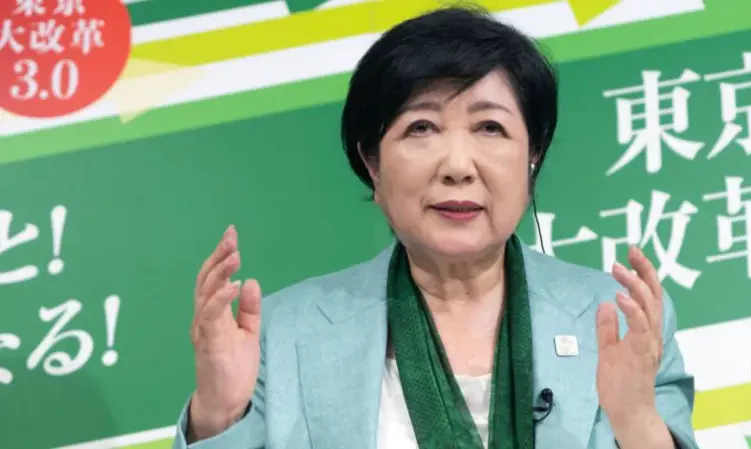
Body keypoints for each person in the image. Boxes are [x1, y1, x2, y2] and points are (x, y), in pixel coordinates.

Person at [173, 6, 699, 449]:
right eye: (421, 127)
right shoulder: (284, 334)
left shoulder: (623, 321)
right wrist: (218, 417)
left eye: (489, 127)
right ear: (373, 163)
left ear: (533, 155)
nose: (457, 166)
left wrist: (636, 422)